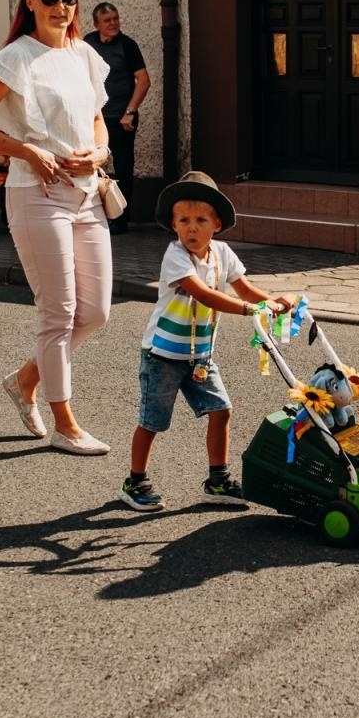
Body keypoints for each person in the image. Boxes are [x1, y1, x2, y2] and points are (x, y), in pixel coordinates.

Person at [0, 0, 115, 455]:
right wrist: (28, 150)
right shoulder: (15, 59)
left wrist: (101, 150)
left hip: (86, 193)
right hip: (36, 194)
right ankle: (65, 423)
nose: (61, 7)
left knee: (97, 312)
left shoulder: (85, 55)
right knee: (59, 312)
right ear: (29, 2)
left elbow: (97, 120)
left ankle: (25, 380)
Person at [118, 172, 295, 511]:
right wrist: (250, 310)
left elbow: (244, 289)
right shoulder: (176, 257)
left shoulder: (222, 253)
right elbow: (204, 295)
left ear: (216, 224)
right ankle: (135, 480)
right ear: (173, 225)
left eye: (200, 220)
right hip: (164, 355)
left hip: (200, 356)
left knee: (221, 410)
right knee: (153, 420)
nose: (192, 228)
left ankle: (217, 480)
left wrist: (274, 302)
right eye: (183, 220)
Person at [82, 2, 150, 233]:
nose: (113, 24)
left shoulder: (127, 45)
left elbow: (143, 80)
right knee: (91, 166)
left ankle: (121, 219)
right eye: (108, 20)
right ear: (96, 24)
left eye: (116, 19)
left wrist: (129, 112)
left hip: (121, 118)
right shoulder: (87, 44)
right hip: (93, 118)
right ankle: (91, 214)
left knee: (122, 168)